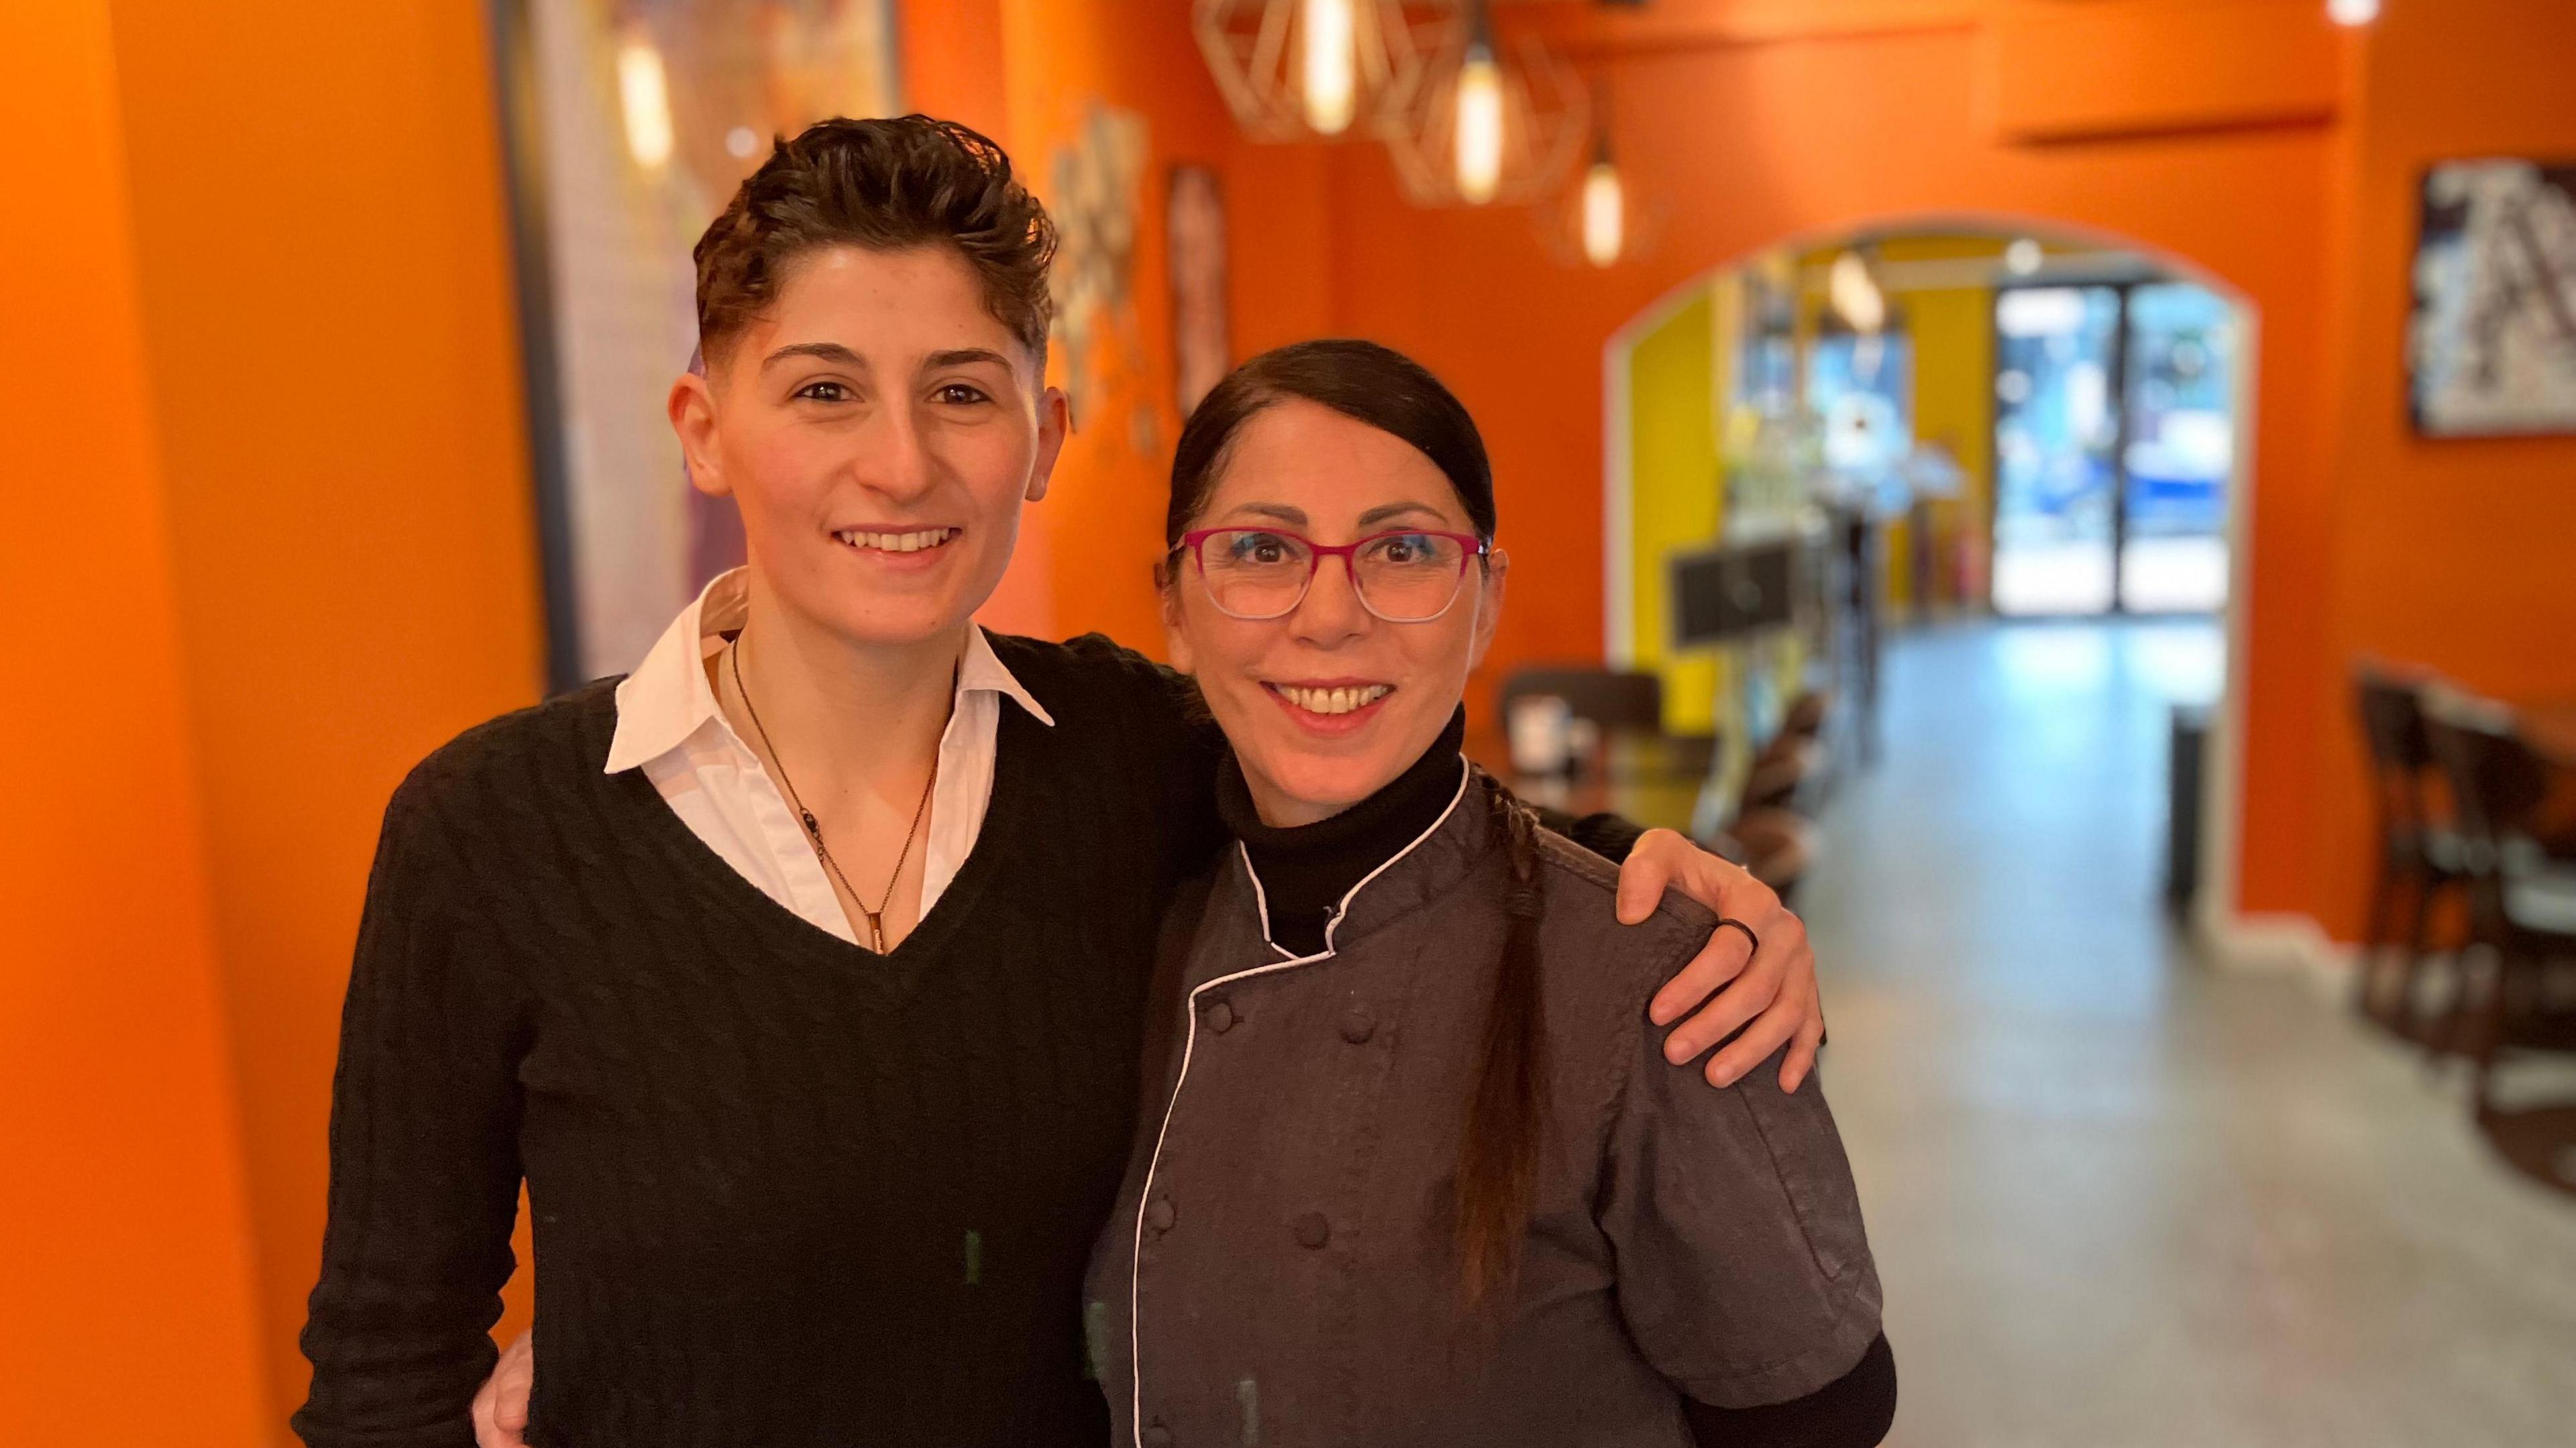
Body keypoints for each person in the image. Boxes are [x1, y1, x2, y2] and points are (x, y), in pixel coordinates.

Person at [291, 116, 1827, 1448]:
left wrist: (1658, 879)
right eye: (824, 390)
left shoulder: (1124, 759)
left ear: (1044, 440)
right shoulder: (491, 834)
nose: (900, 465)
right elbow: (384, 1367)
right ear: (707, 429)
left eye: (962, 392)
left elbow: (1374, 803)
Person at [1083, 340, 1892, 1447]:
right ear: (1175, 601)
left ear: (1486, 597)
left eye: (1404, 549)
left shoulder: (1664, 980)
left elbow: (1816, 1413)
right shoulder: (1135, 899)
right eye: (1262, 549)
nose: (1328, 616)